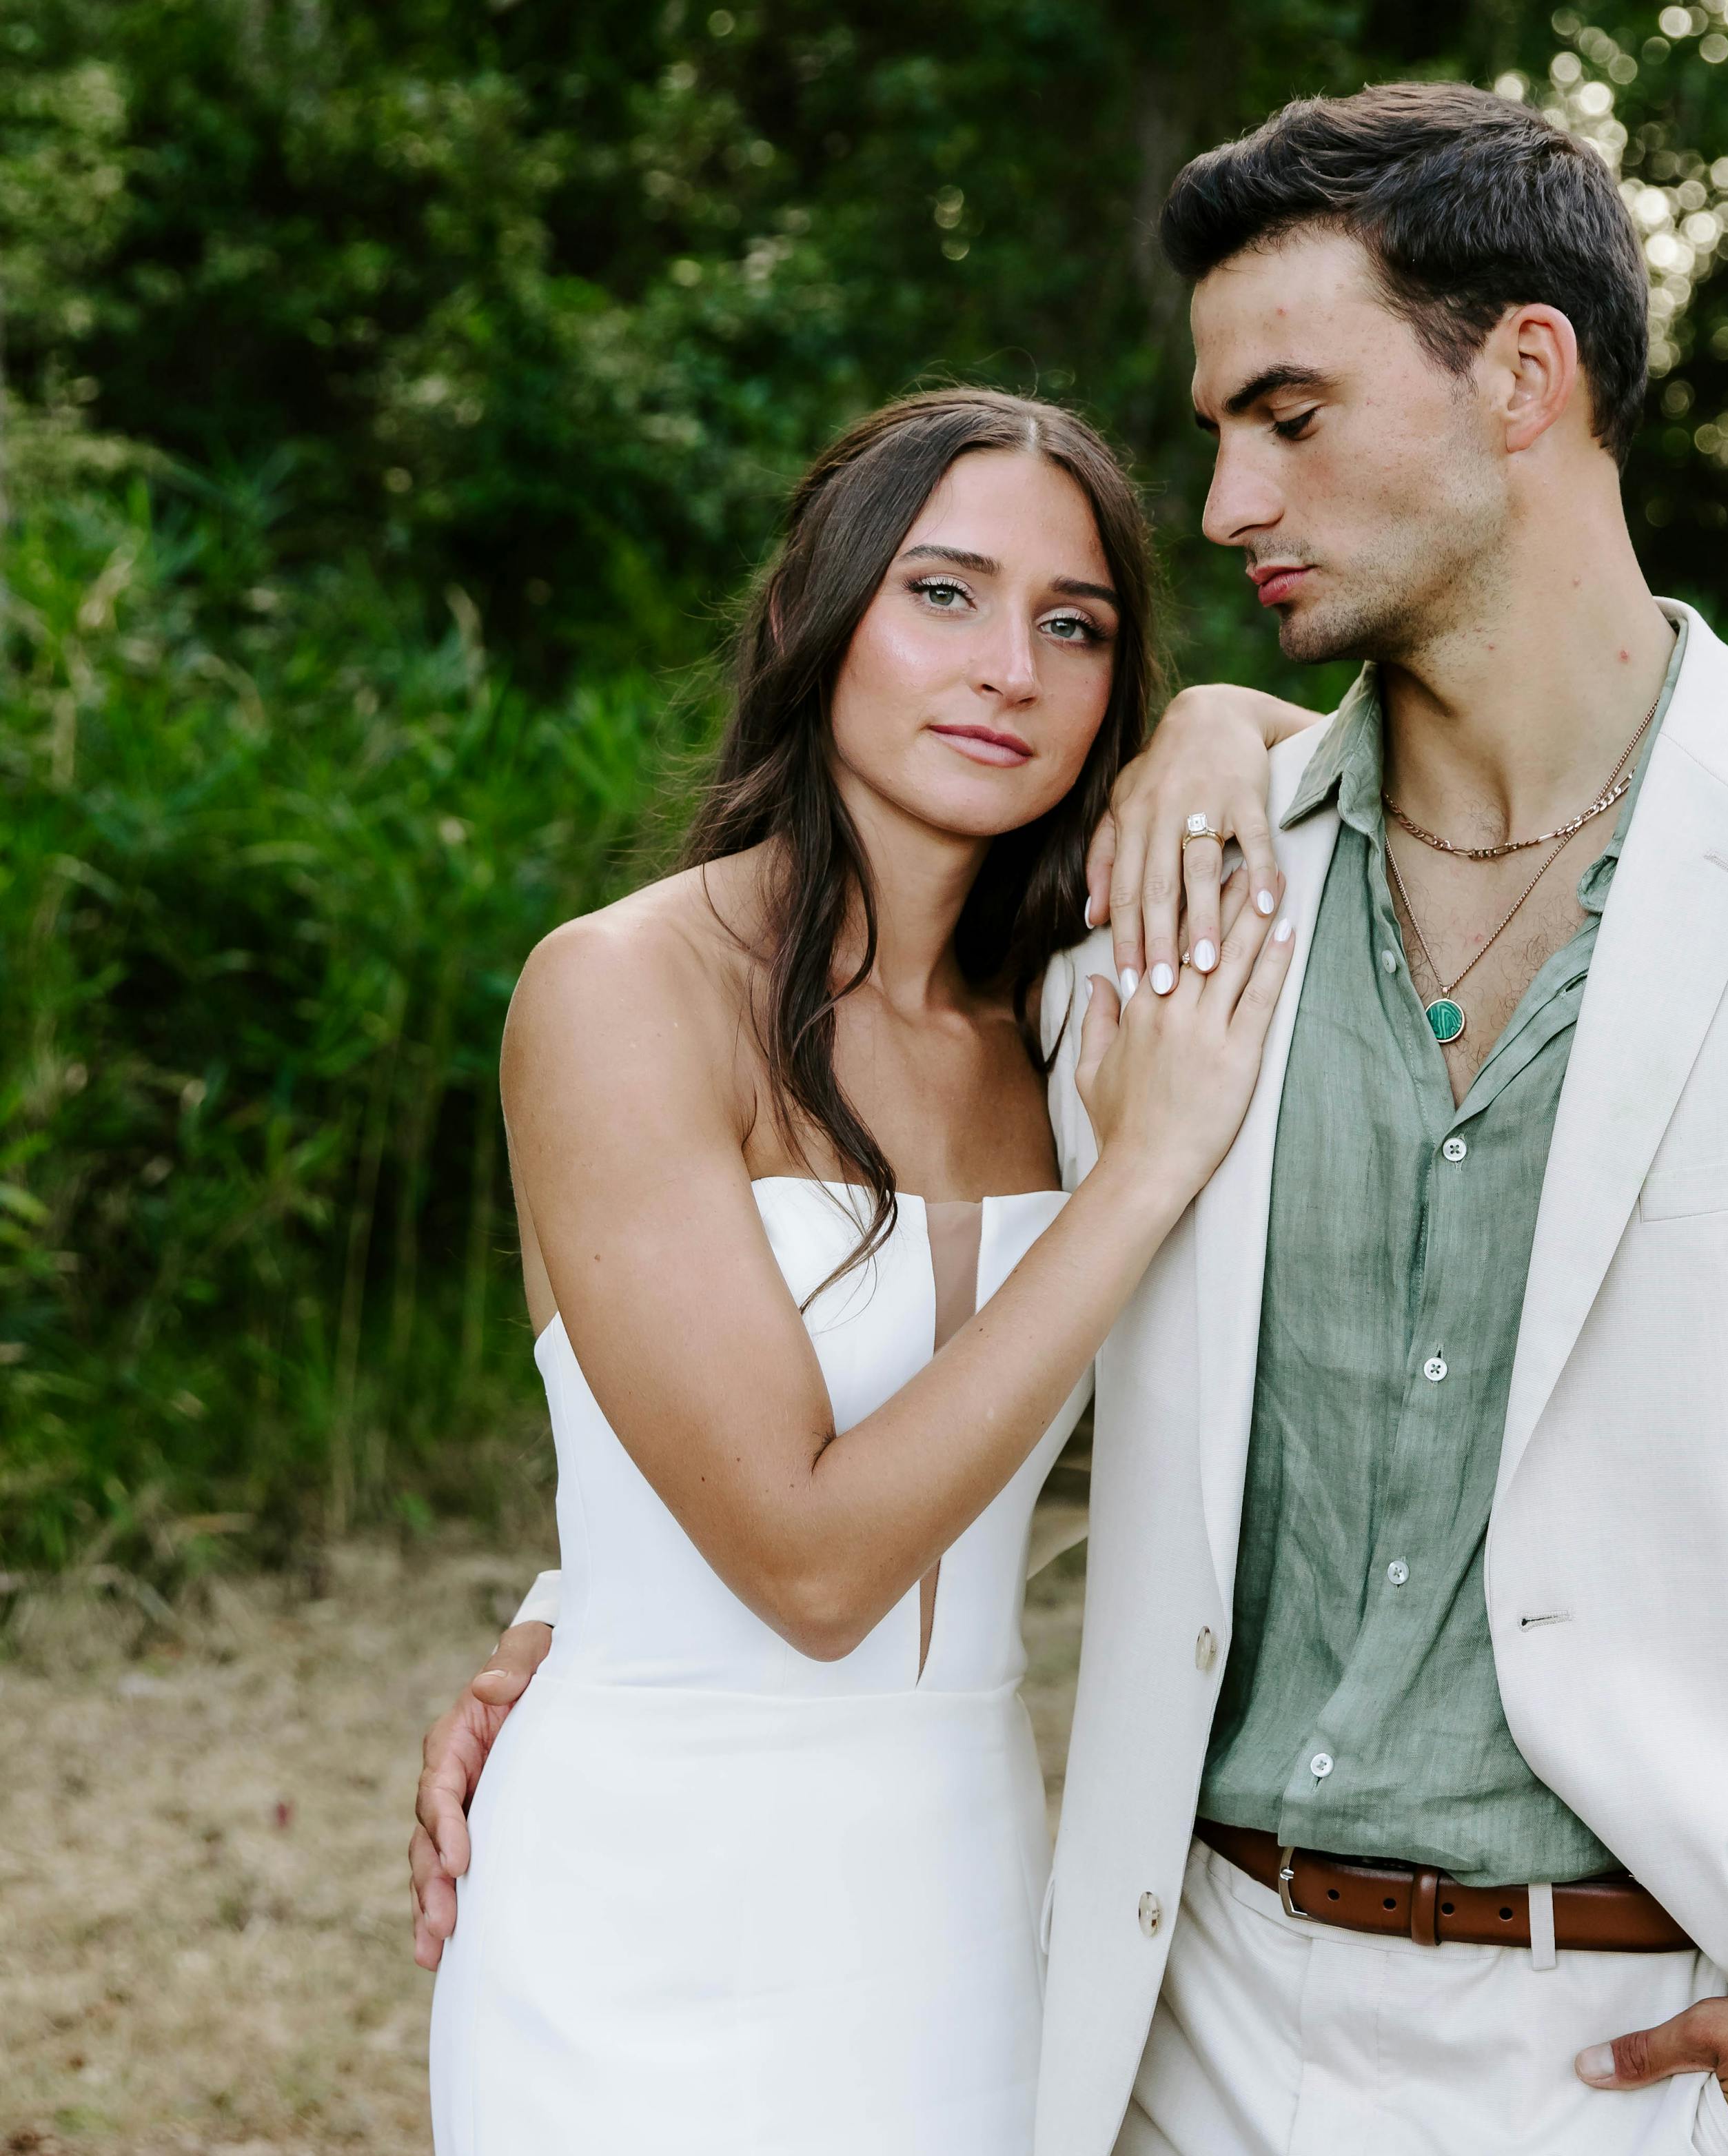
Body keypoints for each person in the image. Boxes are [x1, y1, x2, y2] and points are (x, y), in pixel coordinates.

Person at [418, 85, 1728, 2156]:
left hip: (1683, 2053)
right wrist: (583, 1613)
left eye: (1288, 417)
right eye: (1216, 430)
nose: (1224, 503)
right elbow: (852, 1302)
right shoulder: (1172, 915)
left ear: (1526, 378)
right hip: (1192, 2033)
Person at [418, 385, 1295, 2154]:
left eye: (1078, 628)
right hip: (640, 1908)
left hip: (965, 1893)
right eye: (943, 593)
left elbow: (1435, 766)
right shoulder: (624, 990)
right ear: (809, 617)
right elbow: (809, 1566)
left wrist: (1216, 724)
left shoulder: (1068, 1013)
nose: (1009, 669)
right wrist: (1139, 1178)